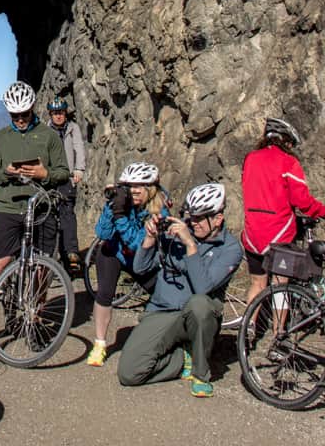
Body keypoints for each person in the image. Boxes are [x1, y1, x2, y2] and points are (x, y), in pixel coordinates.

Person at [0, 81, 69, 352]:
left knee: (42, 269)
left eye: (24, 114)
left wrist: (45, 174)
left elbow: (63, 172)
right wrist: (8, 173)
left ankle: (35, 321)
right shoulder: (1, 138)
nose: (20, 120)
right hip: (9, 209)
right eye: (15, 115)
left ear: (33, 108)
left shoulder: (49, 136)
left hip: (41, 207)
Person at [117, 183, 243, 398]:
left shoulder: (230, 249)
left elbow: (203, 287)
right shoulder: (175, 231)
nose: (193, 223)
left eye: (200, 218)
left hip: (195, 315)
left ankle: (200, 373)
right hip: (162, 310)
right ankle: (181, 357)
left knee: (200, 304)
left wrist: (190, 245)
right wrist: (149, 239)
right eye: (191, 217)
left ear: (218, 219)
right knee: (129, 374)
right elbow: (140, 269)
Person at [85, 162, 169, 366]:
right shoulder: (121, 202)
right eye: (130, 186)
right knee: (104, 294)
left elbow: (138, 245)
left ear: (151, 188)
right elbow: (103, 233)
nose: (135, 191)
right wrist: (112, 207)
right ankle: (100, 344)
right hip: (113, 252)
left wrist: (121, 217)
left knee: (162, 296)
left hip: (142, 258)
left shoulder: (160, 212)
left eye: (140, 186)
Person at [241, 115, 325, 307]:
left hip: (252, 232)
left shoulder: (250, 159)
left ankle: (250, 328)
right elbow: (302, 201)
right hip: (278, 231)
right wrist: (322, 211)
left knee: (257, 283)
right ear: (286, 140)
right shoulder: (288, 162)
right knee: (281, 284)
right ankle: (280, 333)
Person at [46, 97, 86, 276]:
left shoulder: (73, 128)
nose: (58, 116)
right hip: (50, 179)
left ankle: (71, 255)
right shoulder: (45, 130)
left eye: (61, 113)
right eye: (55, 113)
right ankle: (48, 257)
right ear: (50, 115)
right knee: (49, 218)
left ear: (65, 113)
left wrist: (79, 169)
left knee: (67, 215)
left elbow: (79, 148)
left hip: (67, 179)